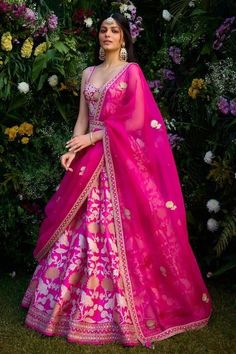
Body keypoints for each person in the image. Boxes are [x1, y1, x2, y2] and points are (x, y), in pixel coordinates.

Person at [22, 12, 212, 348]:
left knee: (112, 230)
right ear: (98, 37)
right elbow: (83, 119)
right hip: (88, 161)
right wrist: (72, 147)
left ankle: (116, 309)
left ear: (124, 38)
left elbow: (137, 119)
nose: (108, 34)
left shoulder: (131, 72)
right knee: (74, 227)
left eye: (114, 30)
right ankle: (64, 305)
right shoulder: (88, 74)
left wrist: (93, 139)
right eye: (103, 30)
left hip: (115, 162)